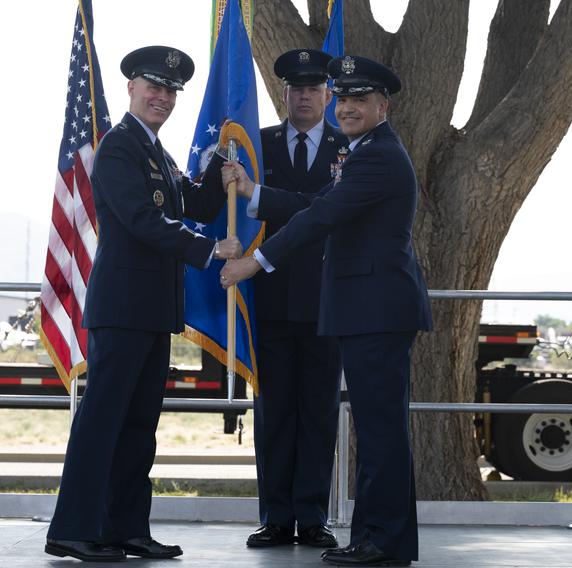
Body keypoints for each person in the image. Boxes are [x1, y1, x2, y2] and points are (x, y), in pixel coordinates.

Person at [221, 55, 431, 567]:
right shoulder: (368, 151)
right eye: (345, 99)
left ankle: (380, 541)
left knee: (379, 433)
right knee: (381, 430)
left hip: (375, 310)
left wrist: (255, 261)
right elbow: (316, 210)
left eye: (360, 100)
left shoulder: (375, 155)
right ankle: (383, 538)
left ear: (383, 106)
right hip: (367, 310)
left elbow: (322, 215)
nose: (348, 108)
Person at [45, 45, 242, 562]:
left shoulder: (158, 152)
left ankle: (125, 529)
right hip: (123, 308)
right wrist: (207, 250)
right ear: (131, 88)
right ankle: (73, 529)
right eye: (152, 87)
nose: (162, 97)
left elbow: (190, 206)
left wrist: (220, 169)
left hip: (153, 311)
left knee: (138, 429)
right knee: (102, 423)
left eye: (170, 90)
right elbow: (140, 219)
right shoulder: (118, 147)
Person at [245, 48, 348, 550]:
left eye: (313, 88)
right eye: (295, 88)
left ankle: (312, 517)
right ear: (283, 92)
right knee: (274, 413)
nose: (304, 95)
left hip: (327, 301)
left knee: (319, 412)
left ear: (328, 95)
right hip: (268, 299)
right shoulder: (255, 144)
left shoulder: (348, 147)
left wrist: (259, 194)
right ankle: (274, 517)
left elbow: (332, 209)